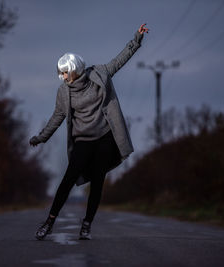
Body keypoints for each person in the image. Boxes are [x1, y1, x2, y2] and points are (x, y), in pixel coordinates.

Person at [30, 24, 149, 240]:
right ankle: (49, 222)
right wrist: (41, 137)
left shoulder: (99, 74)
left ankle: (86, 225)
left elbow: (121, 59)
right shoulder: (64, 92)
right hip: (83, 141)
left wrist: (137, 38)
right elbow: (57, 116)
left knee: (98, 182)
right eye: (61, 73)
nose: (62, 76)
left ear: (74, 69)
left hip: (104, 139)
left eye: (65, 72)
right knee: (67, 181)